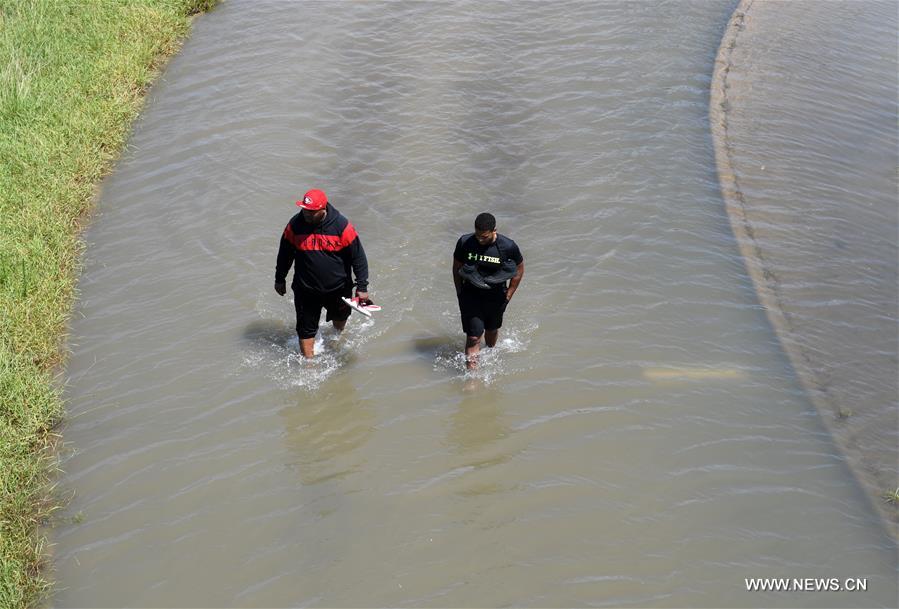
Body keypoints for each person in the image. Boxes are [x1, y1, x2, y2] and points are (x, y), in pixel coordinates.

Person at [275, 188, 371, 358]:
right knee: (305, 330)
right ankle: (309, 366)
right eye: (305, 209)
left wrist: (362, 286)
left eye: (311, 212)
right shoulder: (295, 225)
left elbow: (358, 257)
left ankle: (335, 339)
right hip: (306, 289)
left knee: (340, 321)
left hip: (338, 289)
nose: (306, 214)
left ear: (323, 209)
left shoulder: (342, 226)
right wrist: (279, 278)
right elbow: (285, 253)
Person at [453, 212, 524, 369]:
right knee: (473, 337)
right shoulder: (465, 242)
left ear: (494, 230)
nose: (480, 240)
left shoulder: (508, 246)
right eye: (477, 236)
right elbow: (456, 266)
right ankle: (472, 378)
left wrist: (508, 295)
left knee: (491, 331)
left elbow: (519, 269)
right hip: (471, 294)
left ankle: (490, 352)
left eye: (484, 237)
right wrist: (460, 293)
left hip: (496, 295)